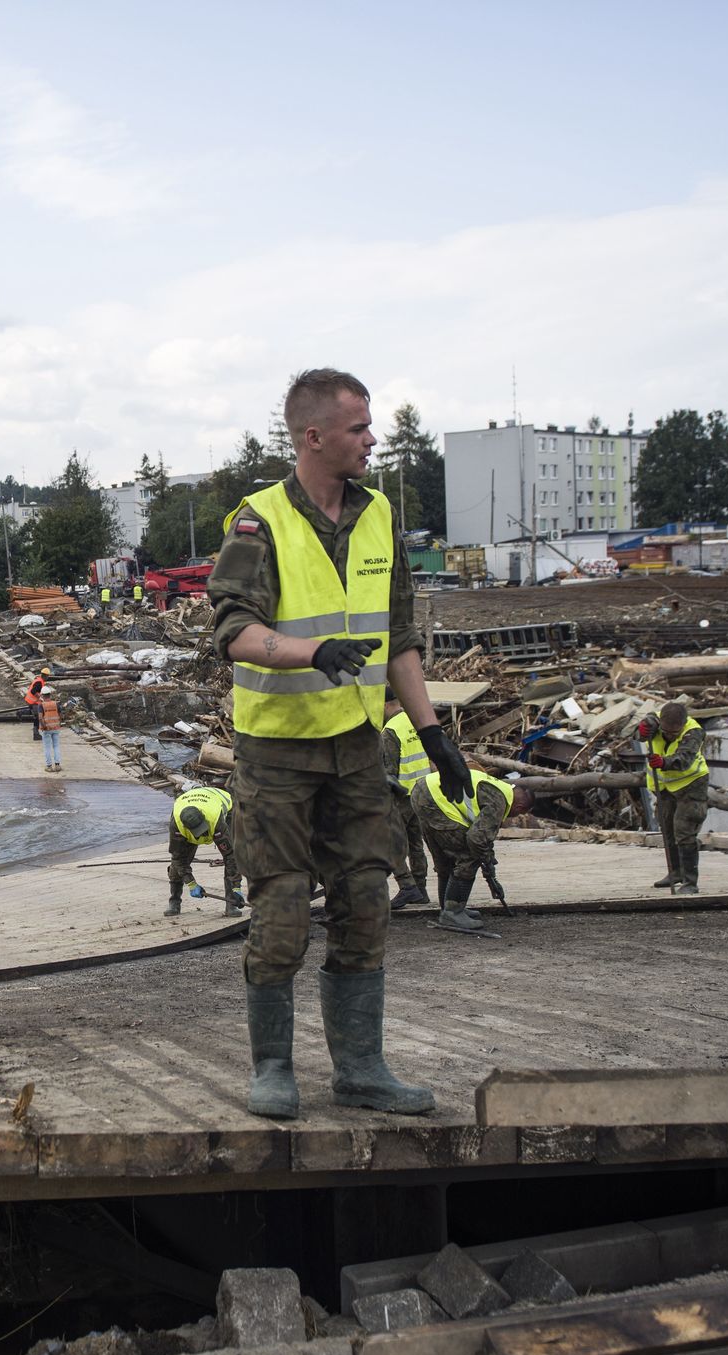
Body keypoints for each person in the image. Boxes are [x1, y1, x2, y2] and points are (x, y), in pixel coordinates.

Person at [208, 367, 468, 1120]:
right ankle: (274, 1070)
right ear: (313, 437)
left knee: (366, 902)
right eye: (358, 428)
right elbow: (231, 630)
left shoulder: (380, 513)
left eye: (370, 425)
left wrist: (433, 735)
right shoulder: (257, 521)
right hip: (279, 753)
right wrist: (306, 653)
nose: (372, 439)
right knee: (282, 911)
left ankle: (361, 1068)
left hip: (358, 748)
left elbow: (400, 637)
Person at [413, 765, 525, 932]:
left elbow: (479, 835)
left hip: (423, 791)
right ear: (520, 808)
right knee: (468, 856)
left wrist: (488, 860)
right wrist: (487, 863)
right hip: (434, 800)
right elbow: (477, 839)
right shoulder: (499, 799)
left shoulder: (497, 786)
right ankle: (452, 913)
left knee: (447, 859)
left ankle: (449, 907)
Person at [639, 700, 710, 895]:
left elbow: (685, 758)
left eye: (674, 732)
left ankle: (690, 882)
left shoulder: (694, 732)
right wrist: (642, 730)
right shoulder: (655, 722)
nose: (670, 735)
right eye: (666, 731)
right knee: (668, 828)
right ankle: (675, 872)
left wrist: (663, 762)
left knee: (684, 831)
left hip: (692, 786)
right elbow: (641, 733)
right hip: (665, 788)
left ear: (683, 723)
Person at [379, 697, 433, 909]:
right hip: (421, 793)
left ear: (384, 705)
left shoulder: (390, 731)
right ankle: (421, 889)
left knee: (389, 844)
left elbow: (390, 773)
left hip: (401, 797)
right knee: (415, 845)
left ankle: (407, 886)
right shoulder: (414, 722)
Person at [168, 784, 242, 918]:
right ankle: (174, 901)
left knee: (232, 853)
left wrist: (236, 886)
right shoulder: (176, 824)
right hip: (195, 804)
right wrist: (191, 883)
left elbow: (230, 856)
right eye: (198, 832)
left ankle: (232, 904)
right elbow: (178, 859)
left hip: (226, 808)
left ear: (203, 817)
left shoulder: (215, 818)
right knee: (178, 862)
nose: (202, 835)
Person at [38, 685, 63, 771]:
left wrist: (44, 726)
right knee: (56, 746)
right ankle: (57, 765)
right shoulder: (56, 703)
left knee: (47, 748)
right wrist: (59, 723)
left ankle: (49, 766)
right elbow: (60, 715)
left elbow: (40, 718)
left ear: (42, 695)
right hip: (56, 728)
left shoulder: (41, 705)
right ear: (50, 694)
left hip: (46, 729)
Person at [23, 668, 50, 738]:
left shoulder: (39, 680)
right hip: (33, 701)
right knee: (37, 717)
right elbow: (33, 691)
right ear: (46, 676)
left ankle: (20, 712)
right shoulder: (39, 682)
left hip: (31, 701)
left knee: (34, 713)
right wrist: (40, 698)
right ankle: (36, 734)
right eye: (48, 676)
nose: (48, 677)